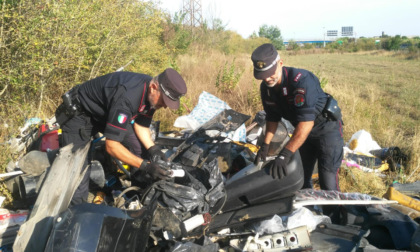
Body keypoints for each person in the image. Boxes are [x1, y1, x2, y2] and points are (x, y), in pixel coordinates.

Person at [55, 68, 187, 205]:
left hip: (105, 113)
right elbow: (112, 146)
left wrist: (153, 149)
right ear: (154, 87)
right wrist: (146, 166)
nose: (165, 106)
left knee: (138, 147)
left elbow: (141, 126)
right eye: (164, 101)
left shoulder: (150, 95)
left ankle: (139, 195)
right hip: (79, 115)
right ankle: (76, 212)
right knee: (78, 173)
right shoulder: (127, 96)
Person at [252, 43, 344, 191]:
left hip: (326, 130)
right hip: (302, 134)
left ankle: (335, 214)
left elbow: (306, 123)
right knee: (300, 177)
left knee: (327, 181)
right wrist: (265, 145)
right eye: (263, 76)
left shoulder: (301, 81)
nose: (268, 79)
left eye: (271, 73)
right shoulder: (267, 88)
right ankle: (309, 211)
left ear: (280, 63)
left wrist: (284, 155)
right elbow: (272, 117)